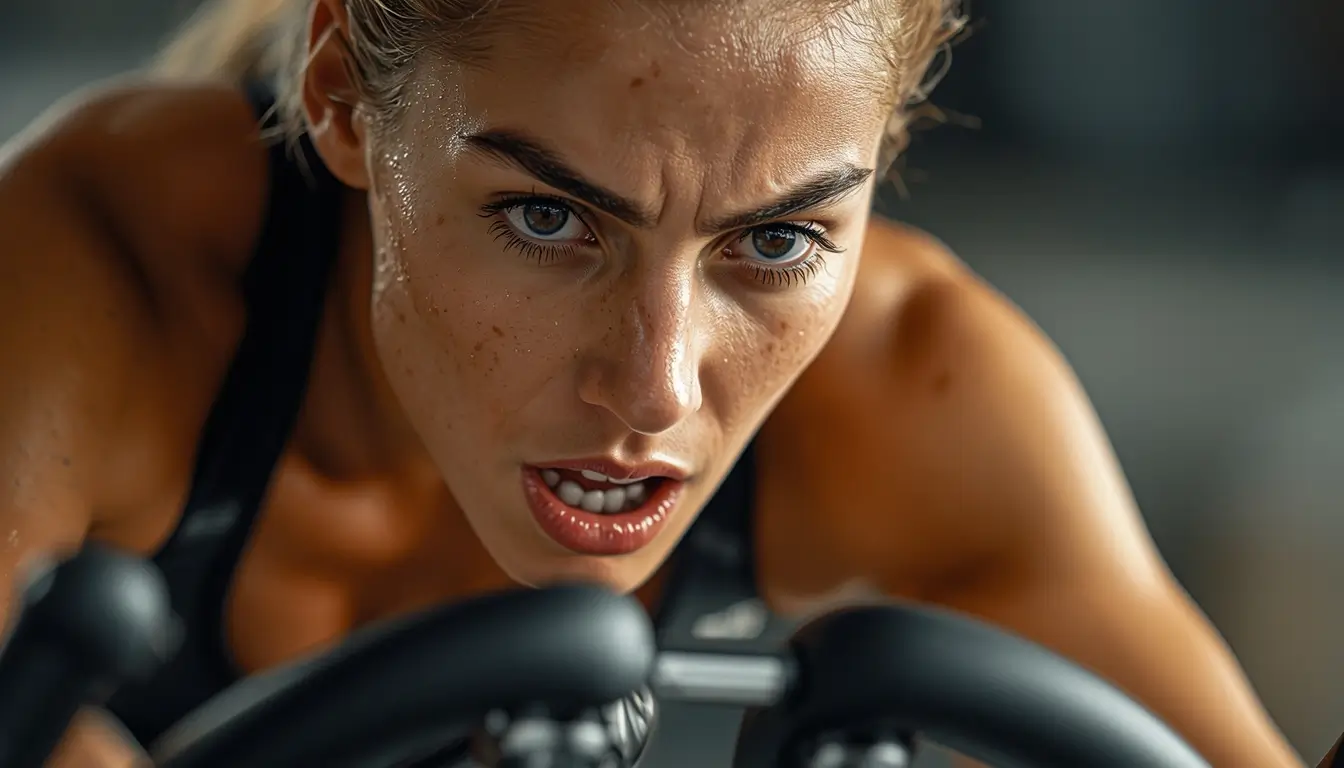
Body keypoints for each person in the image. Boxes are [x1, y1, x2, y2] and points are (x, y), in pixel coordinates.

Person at [0, 0, 1309, 765]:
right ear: (343, 95)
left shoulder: (911, 385)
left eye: (776, 242)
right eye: (547, 218)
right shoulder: (101, 277)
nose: (654, 389)